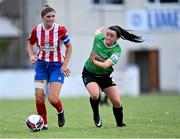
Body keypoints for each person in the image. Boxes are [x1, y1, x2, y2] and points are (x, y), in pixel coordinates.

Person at [82, 25, 143, 128]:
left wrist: (94, 61)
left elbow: (106, 65)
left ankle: (120, 124)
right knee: (95, 95)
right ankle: (96, 115)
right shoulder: (98, 39)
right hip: (89, 73)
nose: (108, 37)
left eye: (112, 36)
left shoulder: (116, 50)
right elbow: (96, 32)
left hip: (105, 76)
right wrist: (101, 28)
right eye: (107, 34)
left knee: (117, 102)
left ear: (117, 38)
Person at [27, 5, 72, 130]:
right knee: (39, 96)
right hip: (41, 65)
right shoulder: (37, 30)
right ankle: (44, 124)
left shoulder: (61, 29)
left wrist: (65, 64)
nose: (51, 19)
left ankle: (60, 111)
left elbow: (69, 47)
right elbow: (29, 43)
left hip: (57, 65)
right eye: (48, 16)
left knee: (52, 98)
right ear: (43, 18)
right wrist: (31, 56)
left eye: (53, 16)